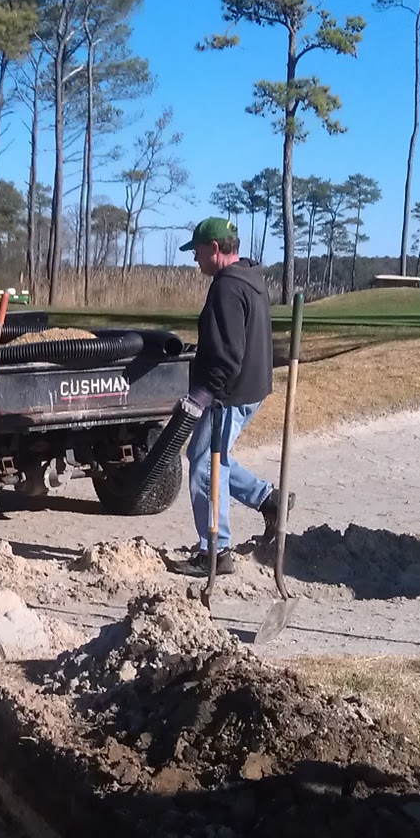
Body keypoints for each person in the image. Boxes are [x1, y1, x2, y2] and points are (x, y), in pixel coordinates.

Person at [170, 217, 291, 578]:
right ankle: (269, 500)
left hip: (229, 392)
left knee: (205, 464)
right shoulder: (251, 278)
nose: (195, 260)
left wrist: (203, 393)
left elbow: (228, 351)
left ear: (215, 249)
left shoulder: (226, 288)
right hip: (250, 386)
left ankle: (215, 551)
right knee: (210, 458)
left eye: (197, 252)